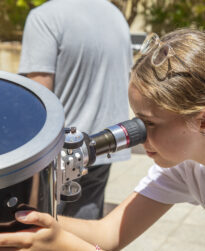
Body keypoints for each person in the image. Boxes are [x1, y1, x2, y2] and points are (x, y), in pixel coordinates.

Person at [0, 28, 205, 251]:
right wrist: (19, 220)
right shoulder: (188, 162)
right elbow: (109, 234)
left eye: (149, 123)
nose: (137, 136)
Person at [18, 0, 133, 219]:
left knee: (40, 235)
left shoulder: (45, 17)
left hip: (59, 154)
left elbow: (39, 99)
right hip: (104, 144)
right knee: (86, 238)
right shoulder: (116, 17)